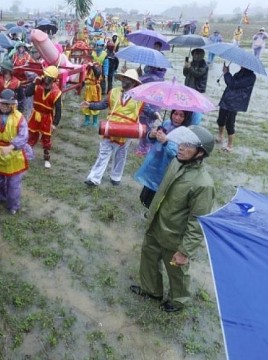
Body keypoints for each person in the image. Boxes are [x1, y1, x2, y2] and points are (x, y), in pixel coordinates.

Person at [130, 125, 215, 313]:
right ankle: (151, 290)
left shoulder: (203, 184)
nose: (181, 147)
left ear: (200, 153)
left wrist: (185, 251)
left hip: (175, 236)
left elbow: (198, 222)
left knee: (177, 271)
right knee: (149, 257)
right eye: (182, 143)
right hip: (156, 224)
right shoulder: (176, 162)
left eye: (188, 146)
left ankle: (178, 301)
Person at [81, 69, 160, 186]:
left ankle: (116, 177)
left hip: (127, 131)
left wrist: (155, 114)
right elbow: (104, 104)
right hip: (110, 128)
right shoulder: (114, 92)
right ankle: (94, 179)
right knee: (104, 152)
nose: (124, 81)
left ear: (134, 82)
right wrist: (91, 105)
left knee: (121, 155)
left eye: (127, 79)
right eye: (124, 78)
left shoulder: (139, 97)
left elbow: (147, 110)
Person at [134, 109, 192, 208]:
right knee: (146, 192)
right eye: (175, 114)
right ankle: (147, 205)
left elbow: (178, 153)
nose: (177, 117)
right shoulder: (166, 123)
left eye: (181, 115)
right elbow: (152, 141)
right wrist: (151, 135)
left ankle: (153, 212)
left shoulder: (186, 133)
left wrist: (166, 142)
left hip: (166, 167)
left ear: (186, 117)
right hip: (154, 162)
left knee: (159, 194)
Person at [27, 66, 62, 169]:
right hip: (35, 114)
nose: (46, 79)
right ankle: (27, 154)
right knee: (31, 135)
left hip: (47, 117)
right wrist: (33, 82)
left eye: (49, 77)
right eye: (45, 76)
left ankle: (46, 159)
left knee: (46, 139)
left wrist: (55, 123)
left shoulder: (57, 92)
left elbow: (59, 109)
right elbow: (27, 93)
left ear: (54, 79)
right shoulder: (37, 85)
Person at [215, 65, 256, 152]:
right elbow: (230, 83)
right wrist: (227, 73)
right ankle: (220, 136)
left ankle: (230, 145)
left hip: (235, 103)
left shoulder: (251, 77)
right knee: (221, 119)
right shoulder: (240, 72)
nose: (241, 65)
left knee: (230, 123)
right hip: (227, 99)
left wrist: (226, 73)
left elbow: (233, 84)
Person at [81, 62, 103, 128]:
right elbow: (84, 79)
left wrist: (93, 66)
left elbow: (97, 74)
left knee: (95, 105)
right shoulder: (88, 69)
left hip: (95, 90)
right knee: (86, 104)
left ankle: (95, 121)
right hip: (88, 90)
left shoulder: (98, 67)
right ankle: (87, 120)